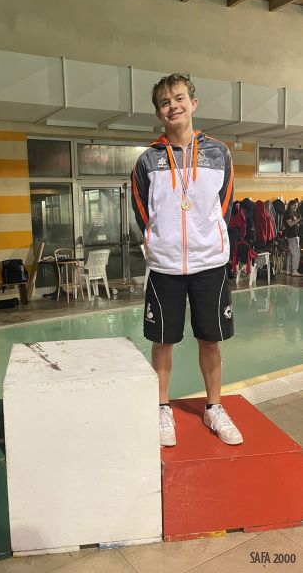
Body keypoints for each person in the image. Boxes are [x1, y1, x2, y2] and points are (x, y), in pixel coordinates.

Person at [132, 73, 243, 447]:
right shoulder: (148, 160)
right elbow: (142, 213)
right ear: (158, 112)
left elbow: (224, 206)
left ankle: (214, 407)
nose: (173, 106)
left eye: (179, 98)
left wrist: (205, 238)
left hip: (208, 263)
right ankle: (161, 407)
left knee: (210, 340)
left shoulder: (219, 153)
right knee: (162, 341)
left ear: (193, 103)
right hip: (165, 266)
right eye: (165, 102)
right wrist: (160, 241)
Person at [284, 199, 302, 277]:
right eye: (294, 205)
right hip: (292, 236)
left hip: (293, 235)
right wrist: (299, 219)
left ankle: (288, 270)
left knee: (291, 254)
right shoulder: (288, 213)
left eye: (297, 206)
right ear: (290, 205)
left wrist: (298, 222)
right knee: (296, 254)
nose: (296, 207)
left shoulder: (292, 213)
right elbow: (290, 224)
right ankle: (294, 271)